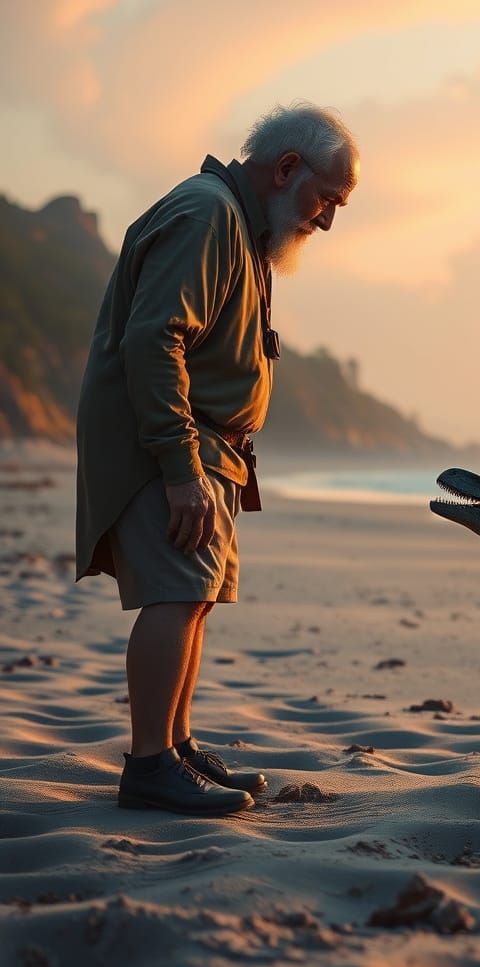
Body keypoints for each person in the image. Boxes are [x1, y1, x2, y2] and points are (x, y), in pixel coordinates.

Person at [75, 102, 359, 815]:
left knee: (194, 597)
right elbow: (155, 340)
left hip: (209, 450)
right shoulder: (208, 215)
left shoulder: (240, 226)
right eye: (326, 199)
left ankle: (173, 746)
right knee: (175, 594)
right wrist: (180, 469)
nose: (326, 220)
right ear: (286, 168)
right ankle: (149, 766)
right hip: (172, 446)